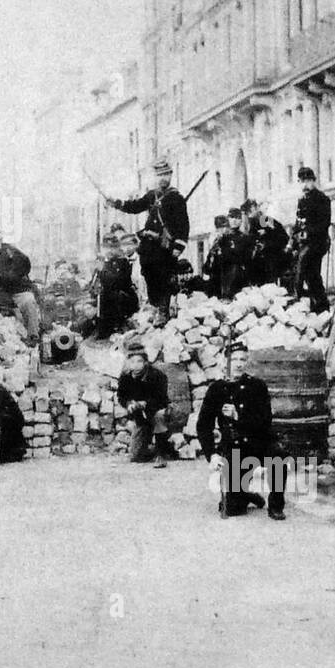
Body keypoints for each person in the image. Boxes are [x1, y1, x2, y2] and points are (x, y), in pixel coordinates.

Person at [196, 331, 285, 520]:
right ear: (224, 361)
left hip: (259, 443)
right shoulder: (216, 389)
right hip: (235, 449)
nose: (238, 363)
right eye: (234, 359)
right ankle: (245, 495)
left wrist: (238, 416)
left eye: (242, 359)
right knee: (232, 509)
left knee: (278, 456)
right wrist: (211, 454)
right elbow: (203, 425)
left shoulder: (257, 386)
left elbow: (264, 421)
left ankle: (276, 505)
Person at [105, 157, 190, 324]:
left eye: (166, 174)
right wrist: (117, 203)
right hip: (149, 247)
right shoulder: (152, 195)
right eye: (160, 175)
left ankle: (163, 311)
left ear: (171, 175)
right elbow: (135, 206)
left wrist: (179, 245)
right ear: (155, 177)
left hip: (165, 247)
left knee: (164, 278)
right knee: (149, 276)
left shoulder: (176, 198)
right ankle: (155, 306)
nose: (163, 178)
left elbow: (183, 225)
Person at [0, 223, 41, 343]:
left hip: (19, 291)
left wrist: (5, 275)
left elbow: (25, 265)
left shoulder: (11, 252)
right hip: (4, 294)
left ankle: (33, 336)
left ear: (0, 239)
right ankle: (7, 314)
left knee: (29, 301)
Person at [117, 341, 174, 468]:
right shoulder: (125, 377)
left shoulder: (157, 376)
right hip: (140, 416)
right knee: (136, 456)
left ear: (145, 362)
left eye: (139, 361)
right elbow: (121, 396)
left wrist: (145, 403)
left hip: (158, 410)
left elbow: (161, 398)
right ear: (128, 362)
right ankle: (161, 449)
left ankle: (161, 455)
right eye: (132, 362)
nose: (136, 365)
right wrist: (128, 404)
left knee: (159, 417)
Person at [293, 166, 331, 312]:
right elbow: (298, 222)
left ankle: (298, 295)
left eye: (307, 181)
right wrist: (295, 237)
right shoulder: (302, 201)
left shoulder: (322, 199)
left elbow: (324, 223)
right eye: (302, 181)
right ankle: (318, 304)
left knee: (304, 266)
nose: (305, 185)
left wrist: (308, 232)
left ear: (313, 181)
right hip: (304, 243)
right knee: (312, 276)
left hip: (317, 243)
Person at [89, 234, 137, 338]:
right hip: (103, 302)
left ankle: (116, 327)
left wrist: (102, 271)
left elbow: (118, 282)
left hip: (120, 300)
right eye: (106, 247)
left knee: (115, 296)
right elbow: (93, 283)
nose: (109, 251)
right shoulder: (101, 262)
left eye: (112, 247)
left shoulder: (122, 262)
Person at [245, 200, 290, 287]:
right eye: (248, 212)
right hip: (259, 257)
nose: (250, 214)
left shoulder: (264, 220)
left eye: (251, 211)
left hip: (274, 255)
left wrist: (266, 243)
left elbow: (283, 238)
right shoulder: (251, 223)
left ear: (257, 208)